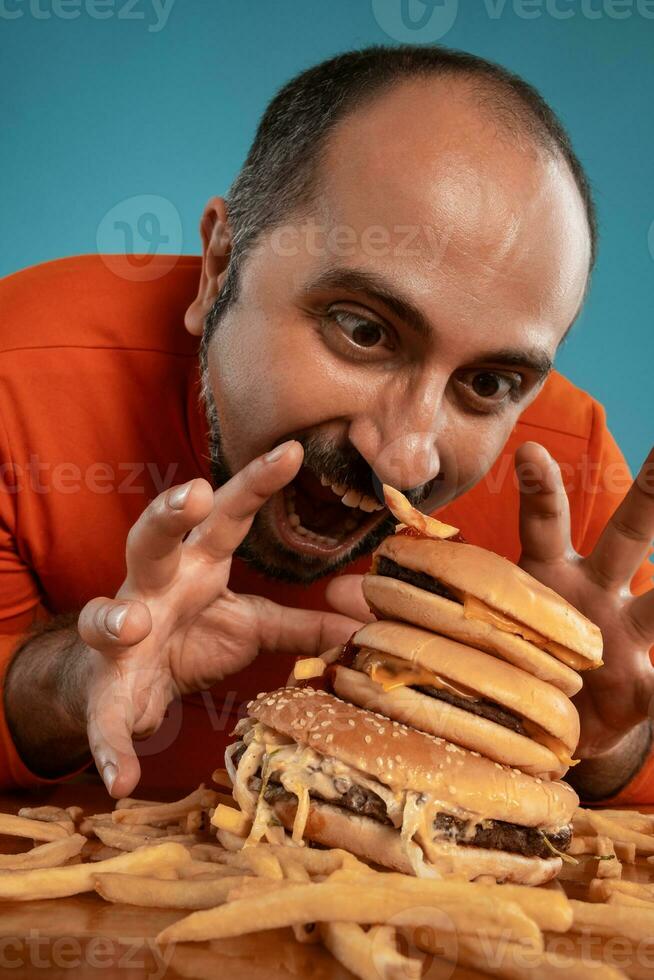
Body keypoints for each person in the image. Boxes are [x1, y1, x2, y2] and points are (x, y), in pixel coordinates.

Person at [1, 46, 652, 804]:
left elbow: (625, 754)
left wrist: (602, 739)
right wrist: (70, 681)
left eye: (487, 382)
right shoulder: (18, 380)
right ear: (219, 268)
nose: (406, 458)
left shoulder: (568, 499)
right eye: (363, 331)